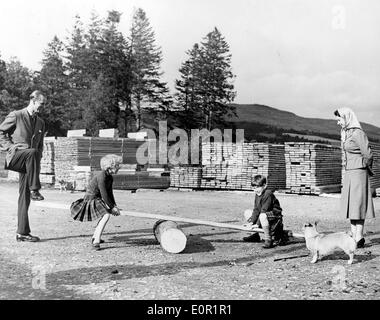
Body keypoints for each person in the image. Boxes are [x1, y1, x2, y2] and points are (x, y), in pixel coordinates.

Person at [0, 90, 46, 242]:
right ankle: (35, 189)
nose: (43, 107)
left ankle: (22, 233)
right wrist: (10, 147)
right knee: (31, 152)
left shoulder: (40, 122)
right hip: (16, 156)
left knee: (24, 197)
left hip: (30, 161)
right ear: (33, 101)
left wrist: (36, 164)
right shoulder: (16, 115)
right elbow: (1, 131)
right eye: (41, 104)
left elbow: (39, 147)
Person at [334, 107, 375, 248]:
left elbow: (368, 154)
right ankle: (353, 235)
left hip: (358, 172)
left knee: (358, 204)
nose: (338, 122)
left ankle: (359, 236)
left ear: (347, 118)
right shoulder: (345, 132)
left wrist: (362, 166)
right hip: (350, 172)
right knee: (351, 204)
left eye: (339, 119)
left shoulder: (358, 133)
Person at [70, 154, 122, 250]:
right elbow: (104, 194)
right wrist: (112, 208)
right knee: (106, 215)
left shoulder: (110, 177)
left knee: (105, 215)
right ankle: (96, 240)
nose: (119, 167)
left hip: (98, 199)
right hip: (91, 199)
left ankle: (95, 236)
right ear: (110, 166)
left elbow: (110, 193)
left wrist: (114, 205)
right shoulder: (102, 176)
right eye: (117, 165)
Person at [243, 175, 288, 248]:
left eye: (257, 187)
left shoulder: (268, 193)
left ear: (264, 185)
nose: (255, 190)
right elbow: (256, 209)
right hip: (264, 215)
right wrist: (251, 222)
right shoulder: (257, 194)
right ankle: (255, 235)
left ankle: (268, 239)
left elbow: (264, 210)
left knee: (262, 215)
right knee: (247, 212)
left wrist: (257, 224)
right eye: (254, 188)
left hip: (274, 217)